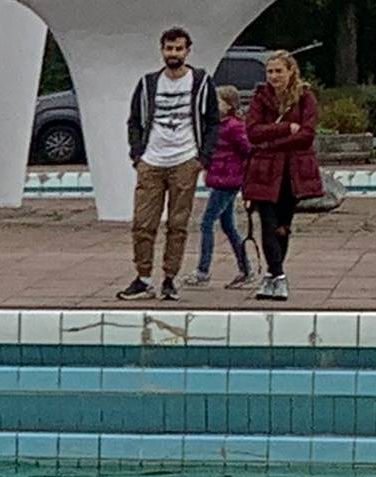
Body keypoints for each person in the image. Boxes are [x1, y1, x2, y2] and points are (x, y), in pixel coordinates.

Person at [117, 27, 219, 302]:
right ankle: (143, 277)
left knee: (178, 223)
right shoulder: (149, 83)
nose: (173, 54)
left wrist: (202, 158)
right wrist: (137, 155)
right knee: (143, 222)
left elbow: (212, 122)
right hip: (151, 160)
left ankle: (170, 279)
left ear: (187, 50)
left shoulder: (200, 82)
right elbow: (134, 120)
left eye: (178, 49)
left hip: (185, 160)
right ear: (162, 50)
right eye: (169, 48)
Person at [244, 50, 321, 303]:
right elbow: (253, 132)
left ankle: (272, 274)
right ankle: (278, 275)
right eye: (270, 71)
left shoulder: (305, 98)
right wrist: (285, 128)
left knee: (282, 226)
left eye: (279, 71)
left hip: (293, 173)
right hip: (264, 172)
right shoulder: (260, 97)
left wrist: (272, 142)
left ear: (291, 71)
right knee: (267, 222)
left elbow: (308, 134)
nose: (274, 76)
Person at [190, 84, 254, 289]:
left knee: (206, 222)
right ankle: (245, 269)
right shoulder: (218, 126)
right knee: (228, 226)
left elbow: (247, 150)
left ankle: (203, 270)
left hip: (227, 181)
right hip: (221, 179)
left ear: (229, 105)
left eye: (217, 102)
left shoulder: (234, 127)